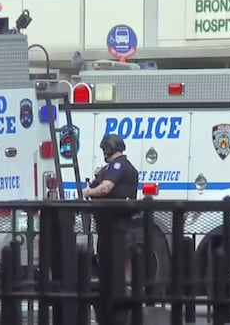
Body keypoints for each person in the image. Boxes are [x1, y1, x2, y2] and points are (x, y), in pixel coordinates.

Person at [82, 134, 139, 325]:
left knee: (113, 268)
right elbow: (101, 185)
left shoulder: (119, 165)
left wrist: (89, 192)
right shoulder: (109, 169)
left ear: (108, 149)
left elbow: (106, 189)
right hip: (107, 226)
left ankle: (116, 309)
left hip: (116, 226)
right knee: (106, 265)